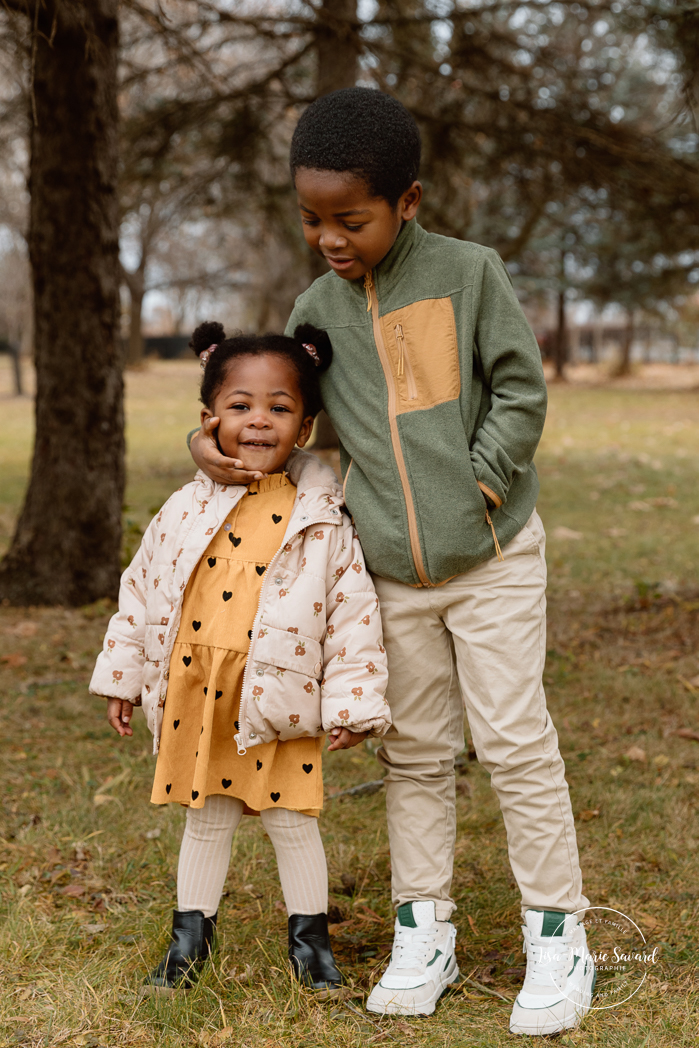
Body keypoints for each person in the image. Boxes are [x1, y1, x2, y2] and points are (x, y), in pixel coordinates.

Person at [189, 88, 594, 1035]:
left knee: (513, 742)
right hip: (388, 578)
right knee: (413, 752)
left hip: (491, 557)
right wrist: (216, 441)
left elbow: (519, 392)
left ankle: (558, 931)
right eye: (311, 219)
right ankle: (424, 928)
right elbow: (280, 411)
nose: (328, 237)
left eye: (350, 219)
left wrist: (480, 485)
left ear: (406, 203)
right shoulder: (315, 307)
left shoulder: (468, 272)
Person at [90, 320, 389, 993]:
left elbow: (352, 617)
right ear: (209, 419)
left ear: (304, 426)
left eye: (279, 409)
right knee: (207, 817)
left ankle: (312, 947)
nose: (259, 421)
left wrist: (351, 702)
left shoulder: (321, 516)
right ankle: (187, 944)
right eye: (240, 406)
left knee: (290, 818)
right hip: (201, 689)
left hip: (280, 694)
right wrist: (123, 675)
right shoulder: (182, 508)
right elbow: (141, 590)